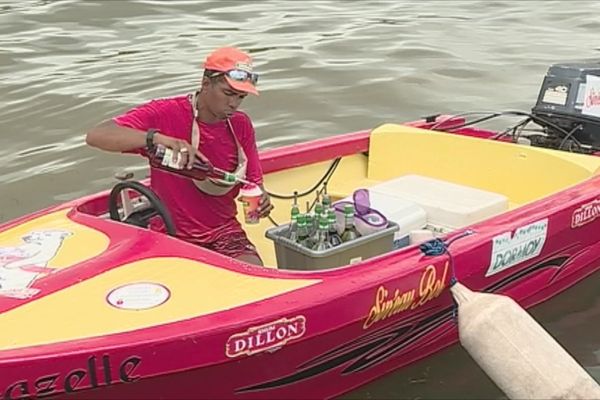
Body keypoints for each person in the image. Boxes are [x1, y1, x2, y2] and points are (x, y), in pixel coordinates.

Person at [86, 47, 272, 266]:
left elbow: (253, 182)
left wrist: (262, 200)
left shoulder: (241, 125)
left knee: (254, 276)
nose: (234, 103)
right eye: (228, 93)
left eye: (241, 97)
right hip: (170, 233)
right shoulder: (165, 113)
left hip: (224, 233)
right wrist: (158, 139)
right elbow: (97, 136)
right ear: (205, 84)